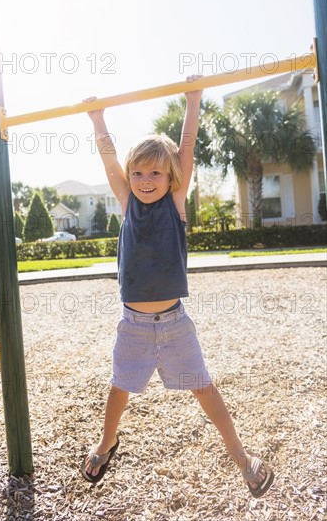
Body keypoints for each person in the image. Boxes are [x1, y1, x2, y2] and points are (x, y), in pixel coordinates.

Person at [81, 76, 274, 498]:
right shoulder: (127, 203)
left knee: (204, 387)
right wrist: (98, 119)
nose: (145, 179)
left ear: (172, 179)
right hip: (133, 324)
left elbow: (186, 149)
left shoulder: (175, 203)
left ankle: (244, 460)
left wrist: (193, 100)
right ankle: (106, 442)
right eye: (138, 172)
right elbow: (109, 160)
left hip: (174, 324)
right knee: (119, 387)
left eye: (155, 173)